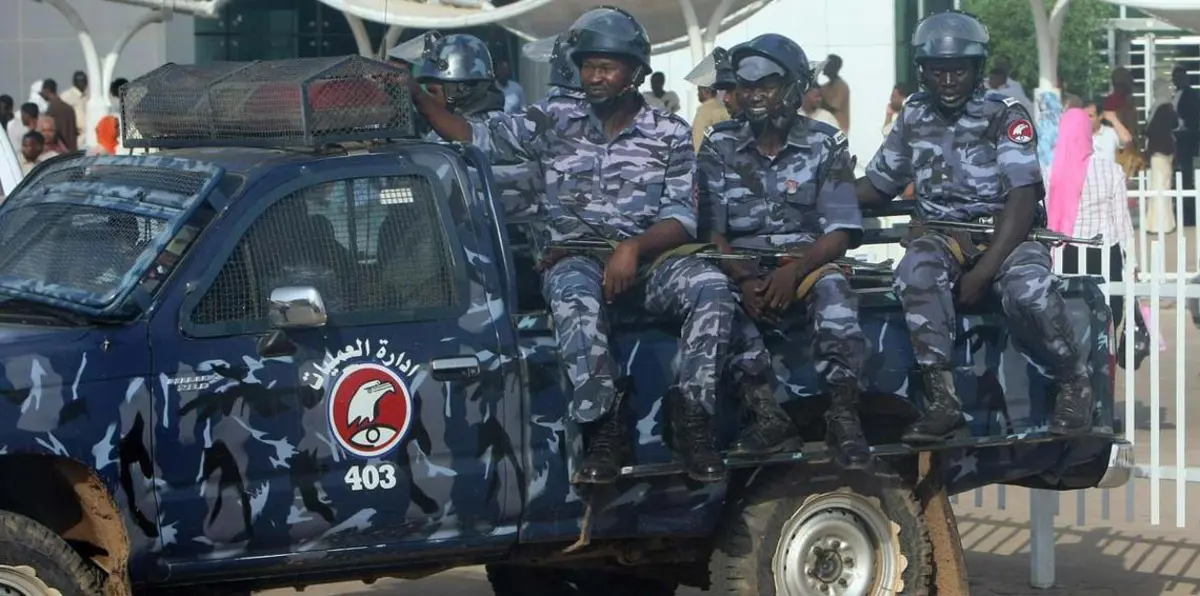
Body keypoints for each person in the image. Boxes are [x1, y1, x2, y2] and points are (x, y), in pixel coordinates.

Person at [412, 6, 748, 483]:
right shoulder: (554, 120)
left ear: (636, 72)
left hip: (648, 263)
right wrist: (421, 100)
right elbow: (475, 136)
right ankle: (603, 427)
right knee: (573, 295)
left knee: (711, 288)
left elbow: (681, 219)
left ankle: (693, 419)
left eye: (606, 67)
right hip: (576, 258)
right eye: (588, 66)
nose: (593, 77)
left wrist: (632, 248)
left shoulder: (669, 132)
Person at [856, 10, 1093, 443]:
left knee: (1029, 292)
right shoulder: (914, 115)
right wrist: (822, 194)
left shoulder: (1004, 114)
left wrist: (984, 272)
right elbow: (878, 184)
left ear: (977, 68)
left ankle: (1073, 383)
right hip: (941, 237)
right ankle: (942, 401)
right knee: (915, 272)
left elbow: (1023, 199)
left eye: (959, 70)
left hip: (1008, 237)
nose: (948, 81)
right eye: (938, 71)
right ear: (923, 71)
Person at [697, 33, 870, 470]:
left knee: (834, 292)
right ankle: (765, 414)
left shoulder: (826, 143)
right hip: (740, 265)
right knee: (716, 298)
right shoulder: (719, 144)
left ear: (793, 87)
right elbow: (711, 230)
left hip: (808, 261)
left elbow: (841, 231)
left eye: (767, 85)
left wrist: (794, 272)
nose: (754, 95)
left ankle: (844, 415)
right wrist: (743, 279)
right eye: (746, 86)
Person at [1046, 108, 1136, 334]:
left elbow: (1046, 216)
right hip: (1104, 252)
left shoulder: (1051, 173)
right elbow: (1122, 222)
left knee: (1070, 320)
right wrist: (1132, 261)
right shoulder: (1111, 171)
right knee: (1107, 317)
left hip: (1065, 252)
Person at [1145, 76, 1178, 234]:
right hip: (1165, 150)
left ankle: (1156, 223)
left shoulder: (1156, 107)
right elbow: (1175, 124)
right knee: (1163, 185)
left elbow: (1149, 130)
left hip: (1157, 150)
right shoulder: (1167, 107)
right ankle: (1164, 223)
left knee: (1157, 185)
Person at [1173, 64, 1199, 225]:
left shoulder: (1192, 95)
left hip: (1187, 142)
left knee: (1187, 178)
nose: (1177, 80)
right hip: (1177, 140)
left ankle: (1189, 215)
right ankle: (1182, 212)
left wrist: (1184, 126)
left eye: (1180, 77)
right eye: (1175, 77)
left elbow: (1194, 118)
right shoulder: (1175, 94)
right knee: (1180, 177)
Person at [40, 79, 78, 153]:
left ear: (46, 90)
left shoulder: (51, 110)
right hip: (73, 151)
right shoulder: (69, 108)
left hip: (60, 152)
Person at [1084, 98, 1122, 163]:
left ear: (1100, 116)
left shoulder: (1111, 133)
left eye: (1090, 116)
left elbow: (1127, 140)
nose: (1086, 119)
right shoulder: (1076, 135)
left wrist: (1113, 119)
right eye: (1084, 116)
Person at [820, 54, 850, 134]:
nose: (824, 66)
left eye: (827, 64)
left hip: (835, 132)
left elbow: (833, 108)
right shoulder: (825, 87)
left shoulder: (841, 86)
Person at [61, 71, 89, 149]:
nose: (84, 84)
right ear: (75, 82)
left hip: (86, 135)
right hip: (74, 135)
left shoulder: (86, 97)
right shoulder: (66, 96)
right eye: (81, 81)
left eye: (85, 81)